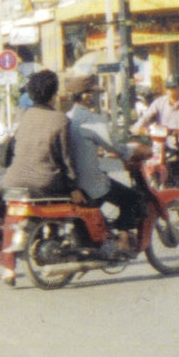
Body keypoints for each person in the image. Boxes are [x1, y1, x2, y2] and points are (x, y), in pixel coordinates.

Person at [0, 69, 74, 287]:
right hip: (44, 181)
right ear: (54, 94)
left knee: (11, 218)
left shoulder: (22, 116)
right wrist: (74, 185)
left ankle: (7, 269)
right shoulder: (60, 119)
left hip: (12, 180)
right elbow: (65, 159)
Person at [64, 74, 149, 246]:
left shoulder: (67, 117)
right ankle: (123, 239)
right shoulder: (91, 119)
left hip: (72, 181)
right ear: (86, 96)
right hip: (89, 181)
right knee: (132, 197)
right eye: (94, 94)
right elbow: (113, 146)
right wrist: (131, 150)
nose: (96, 98)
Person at [133, 80, 179, 192]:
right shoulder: (159, 102)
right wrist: (138, 128)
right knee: (146, 159)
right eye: (168, 88)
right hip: (162, 143)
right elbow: (145, 118)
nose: (170, 90)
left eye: (173, 87)